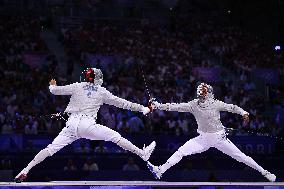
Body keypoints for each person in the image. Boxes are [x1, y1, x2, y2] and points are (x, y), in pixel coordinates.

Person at [15, 68, 156, 182]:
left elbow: (55, 91)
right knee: (115, 136)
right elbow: (124, 103)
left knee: (50, 148)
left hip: (70, 125)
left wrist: (52, 85)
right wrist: (144, 109)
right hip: (87, 125)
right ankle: (142, 154)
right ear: (98, 79)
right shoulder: (102, 91)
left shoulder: (77, 86)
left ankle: (25, 170)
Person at [147, 83, 276, 182]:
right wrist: (158, 105)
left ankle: (265, 173)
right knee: (181, 151)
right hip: (203, 139)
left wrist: (244, 113)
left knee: (241, 157)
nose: (207, 94)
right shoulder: (193, 105)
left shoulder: (215, 103)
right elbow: (174, 106)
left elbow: (232, 107)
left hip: (220, 138)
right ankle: (160, 170)